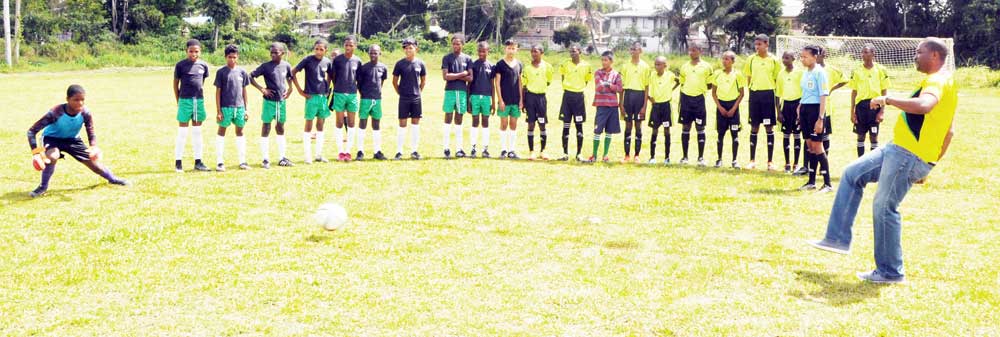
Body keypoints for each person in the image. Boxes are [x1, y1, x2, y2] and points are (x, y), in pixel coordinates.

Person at [810, 38, 957, 284]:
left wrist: (887, 100)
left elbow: (924, 106)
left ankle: (890, 272)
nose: (915, 56)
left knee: (884, 207)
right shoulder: (942, 82)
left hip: (908, 154)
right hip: (898, 150)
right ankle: (836, 238)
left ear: (933, 55)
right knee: (852, 173)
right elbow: (949, 131)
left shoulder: (937, 81)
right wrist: (930, 165)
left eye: (919, 52)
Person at [27, 85, 129, 197]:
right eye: (76, 100)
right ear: (67, 99)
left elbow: (90, 129)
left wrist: (93, 146)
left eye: (82, 100)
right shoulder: (55, 112)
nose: (80, 103)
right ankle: (42, 187)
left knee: (94, 164)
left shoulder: (85, 112)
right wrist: (36, 153)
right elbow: (31, 132)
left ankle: (112, 179)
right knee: (52, 156)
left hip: (72, 140)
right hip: (52, 139)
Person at [250, 42, 295, 169]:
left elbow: (290, 77)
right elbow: (251, 76)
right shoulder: (265, 66)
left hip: (281, 102)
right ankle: (265, 159)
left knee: (280, 127)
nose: (273, 54)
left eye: (276, 52)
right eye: (271, 52)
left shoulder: (286, 65)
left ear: (282, 53)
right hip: (269, 102)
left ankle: (282, 158)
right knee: (266, 127)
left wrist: (290, 89)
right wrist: (262, 89)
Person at [796, 45, 832, 191]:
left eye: (805, 57)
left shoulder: (820, 73)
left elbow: (823, 95)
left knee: (818, 146)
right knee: (810, 146)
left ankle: (828, 183)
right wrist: (799, 106)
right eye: (801, 56)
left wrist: (820, 118)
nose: (802, 59)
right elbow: (806, 92)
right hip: (805, 109)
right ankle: (811, 182)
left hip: (815, 111)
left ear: (814, 57)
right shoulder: (805, 73)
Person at [743, 34, 782, 170]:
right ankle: (752, 160)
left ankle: (770, 162)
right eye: (756, 44)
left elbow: (777, 79)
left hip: (768, 95)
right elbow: (748, 77)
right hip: (755, 95)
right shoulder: (751, 59)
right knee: (754, 127)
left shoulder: (774, 60)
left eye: (759, 44)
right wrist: (752, 91)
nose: (757, 47)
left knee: (768, 127)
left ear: (766, 44)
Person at [173, 39, 211, 172]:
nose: (193, 54)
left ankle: (198, 161)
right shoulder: (180, 65)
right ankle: (178, 162)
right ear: (186, 51)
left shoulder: (204, 66)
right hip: (185, 100)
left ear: (200, 51)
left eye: (196, 51)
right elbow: (175, 84)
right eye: (191, 51)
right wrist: (179, 100)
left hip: (198, 101)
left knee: (197, 132)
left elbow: (202, 82)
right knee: (182, 132)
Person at [292, 39, 333, 164]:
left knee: (320, 125)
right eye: (316, 49)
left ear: (326, 50)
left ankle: (319, 155)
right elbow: (292, 72)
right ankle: (307, 156)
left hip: (322, 97)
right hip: (311, 97)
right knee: (308, 125)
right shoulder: (308, 60)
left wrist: (327, 89)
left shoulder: (327, 62)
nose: (318, 51)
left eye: (321, 49)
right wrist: (300, 91)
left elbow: (330, 75)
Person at [213, 44, 252, 171]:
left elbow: (244, 91)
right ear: (225, 57)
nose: (232, 60)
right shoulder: (221, 72)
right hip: (225, 107)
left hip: (239, 107)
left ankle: (242, 161)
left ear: (237, 57)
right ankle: (219, 162)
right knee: (222, 131)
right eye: (229, 57)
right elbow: (218, 92)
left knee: (240, 131)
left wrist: (246, 109)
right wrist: (218, 110)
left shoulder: (242, 72)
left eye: (234, 57)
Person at [849, 43, 891, 157]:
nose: (863, 54)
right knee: (860, 135)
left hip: (875, 106)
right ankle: (860, 162)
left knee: (873, 136)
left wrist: (882, 111)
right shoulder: (856, 70)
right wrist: (852, 112)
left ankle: (872, 164)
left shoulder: (881, 69)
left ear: (873, 54)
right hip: (861, 107)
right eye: (862, 52)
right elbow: (854, 92)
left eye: (866, 52)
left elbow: (884, 91)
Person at [329, 36, 364, 161]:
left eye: (350, 45)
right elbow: (333, 76)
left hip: (352, 95)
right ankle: (340, 152)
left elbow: (359, 79)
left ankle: (348, 151)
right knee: (339, 123)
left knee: (351, 123)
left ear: (355, 46)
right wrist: (337, 87)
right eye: (346, 45)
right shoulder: (337, 60)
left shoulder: (358, 61)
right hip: (339, 94)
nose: (348, 47)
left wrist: (359, 92)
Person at [677, 45, 713, 166]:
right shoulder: (684, 67)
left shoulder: (707, 67)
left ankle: (701, 158)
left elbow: (709, 85)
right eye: (690, 50)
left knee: (700, 128)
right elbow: (682, 84)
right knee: (685, 127)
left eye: (694, 50)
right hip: (686, 99)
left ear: (700, 51)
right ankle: (684, 157)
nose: (691, 52)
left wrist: (699, 91)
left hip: (699, 100)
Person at [392, 38, 427, 160]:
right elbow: (394, 82)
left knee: (415, 125)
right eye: (406, 48)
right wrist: (400, 93)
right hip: (404, 98)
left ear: (416, 49)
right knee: (402, 124)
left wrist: (418, 92)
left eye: (410, 47)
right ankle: (399, 151)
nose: (408, 50)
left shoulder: (421, 63)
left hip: (416, 98)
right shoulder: (400, 64)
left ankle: (414, 151)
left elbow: (423, 81)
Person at [711, 51, 746, 169]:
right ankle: (719, 159)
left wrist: (733, 109)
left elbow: (742, 94)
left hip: (733, 107)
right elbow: (713, 93)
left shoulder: (738, 75)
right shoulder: (717, 74)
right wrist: (719, 107)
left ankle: (734, 160)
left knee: (734, 134)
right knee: (720, 134)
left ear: (733, 61)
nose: (724, 61)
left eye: (727, 59)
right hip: (721, 106)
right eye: (723, 59)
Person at [440, 34, 473, 159]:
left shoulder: (468, 59)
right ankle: (446, 148)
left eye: (458, 44)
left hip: (462, 92)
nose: (456, 46)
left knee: (459, 119)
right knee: (448, 117)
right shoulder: (447, 58)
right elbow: (445, 76)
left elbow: (470, 78)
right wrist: (462, 74)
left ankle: (459, 149)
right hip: (450, 91)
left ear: (463, 45)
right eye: (454, 43)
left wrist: (455, 75)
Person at [557, 44, 592, 161]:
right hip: (567, 96)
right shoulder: (565, 64)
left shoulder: (586, 66)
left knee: (579, 126)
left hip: (579, 98)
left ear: (580, 52)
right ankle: (565, 153)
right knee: (565, 125)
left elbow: (587, 81)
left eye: (574, 51)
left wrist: (578, 89)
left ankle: (579, 154)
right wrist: (568, 88)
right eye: (570, 51)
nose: (572, 53)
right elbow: (562, 77)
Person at [521, 44, 555, 160]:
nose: (533, 54)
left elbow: (549, 81)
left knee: (542, 124)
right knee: (531, 124)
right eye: (532, 52)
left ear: (542, 53)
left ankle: (543, 150)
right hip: (530, 98)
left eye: (536, 51)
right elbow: (524, 86)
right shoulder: (527, 68)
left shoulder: (548, 67)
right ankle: (531, 151)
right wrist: (524, 102)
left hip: (541, 98)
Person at [355, 44, 389, 160]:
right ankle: (360, 151)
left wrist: (376, 94)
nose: (373, 55)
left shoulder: (383, 68)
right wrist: (364, 94)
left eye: (376, 52)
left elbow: (381, 82)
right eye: (371, 52)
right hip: (365, 99)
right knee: (362, 123)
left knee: (376, 124)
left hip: (377, 99)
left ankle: (377, 151)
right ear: (368, 53)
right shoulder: (364, 68)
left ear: (380, 53)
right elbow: (359, 84)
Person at [589, 51, 623, 163]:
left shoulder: (616, 74)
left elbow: (619, 89)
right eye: (602, 60)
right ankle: (594, 155)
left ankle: (605, 155)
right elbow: (599, 87)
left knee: (609, 131)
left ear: (611, 61)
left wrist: (608, 84)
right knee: (597, 130)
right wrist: (610, 86)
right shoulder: (598, 73)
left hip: (613, 106)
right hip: (601, 105)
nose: (603, 62)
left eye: (606, 60)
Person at [620, 42, 651, 162]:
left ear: (640, 51)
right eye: (631, 49)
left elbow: (647, 87)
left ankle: (636, 155)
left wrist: (644, 106)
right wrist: (620, 103)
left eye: (635, 49)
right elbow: (621, 87)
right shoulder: (625, 66)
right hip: (628, 96)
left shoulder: (645, 66)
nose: (633, 51)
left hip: (639, 97)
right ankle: (627, 155)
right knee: (628, 126)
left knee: (638, 126)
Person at [493, 39, 523, 159]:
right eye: (509, 48)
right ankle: (504, 149)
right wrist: (500, 100)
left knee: (513, 124)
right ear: (505, 49)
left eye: (513, 48)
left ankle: (511, 150)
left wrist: (521, 100)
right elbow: (497, 83)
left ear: (517, 49)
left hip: (515, 100)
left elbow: (520, 83)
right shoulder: (500, 64)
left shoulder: (519, 64)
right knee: (504, 124)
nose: (511, 50)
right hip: (504, 100)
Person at [646, 56, 679, 164]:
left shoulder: (670, 75)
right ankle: (652, 157)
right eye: (655, 64)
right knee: (654, 130)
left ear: (665, 66)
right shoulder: (652, 75)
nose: (657, 66)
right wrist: (649, 98)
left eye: (659, 64)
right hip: (656, 106)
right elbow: (646, 87)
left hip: (666, 106)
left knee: (666, 131)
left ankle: (667, 157)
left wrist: (671, 90)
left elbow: (678, 81)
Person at [776, 51, 804, 173]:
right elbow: (777, 95)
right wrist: (779, 112)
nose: (784, 60)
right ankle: (787, 163)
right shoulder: (781, 74)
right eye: (783, 58)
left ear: (793, 59)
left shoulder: (800, 73)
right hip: (786, 105)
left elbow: (805, 91)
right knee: (786, 135)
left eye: (787, 58)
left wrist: (801, 110)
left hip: (797, 105)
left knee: (797, 135)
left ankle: (796, 164)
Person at [468, 41, 496, 158]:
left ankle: (485, 148)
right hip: (474, 97)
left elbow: (492, 85)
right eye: (479, 51)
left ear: (488, 52)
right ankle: (473, 147)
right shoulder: (473, 65)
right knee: (475, 121)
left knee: (485, 121)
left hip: (486, 97)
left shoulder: (491, 66)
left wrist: (493, 102)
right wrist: (469, 100)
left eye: (483, 51)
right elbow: (469, 84)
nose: (481, 53)